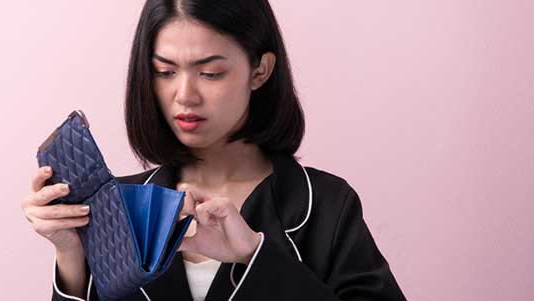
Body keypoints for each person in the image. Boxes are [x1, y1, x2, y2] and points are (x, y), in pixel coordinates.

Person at [20, 0, 406, 300]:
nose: (184, 96)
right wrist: (70, 254)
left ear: (260, 71)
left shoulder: (325, 205)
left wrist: (253, 255)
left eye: (210, 72)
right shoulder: (118, 205)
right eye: (165, 71)